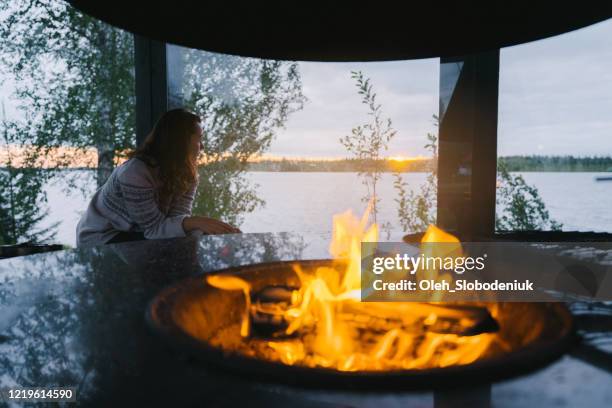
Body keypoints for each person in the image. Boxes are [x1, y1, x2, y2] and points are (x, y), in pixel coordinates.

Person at [76, 108, 240, 247]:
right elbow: (154, 230)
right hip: (102, 236)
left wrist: (211, 228)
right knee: (189, 239)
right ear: (181, 141)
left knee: (194, 235)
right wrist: (197, 223)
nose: (202, 146)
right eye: (199, 138)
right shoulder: (135, 173)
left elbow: (176, 222)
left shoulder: (187, 175)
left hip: (137, 233)